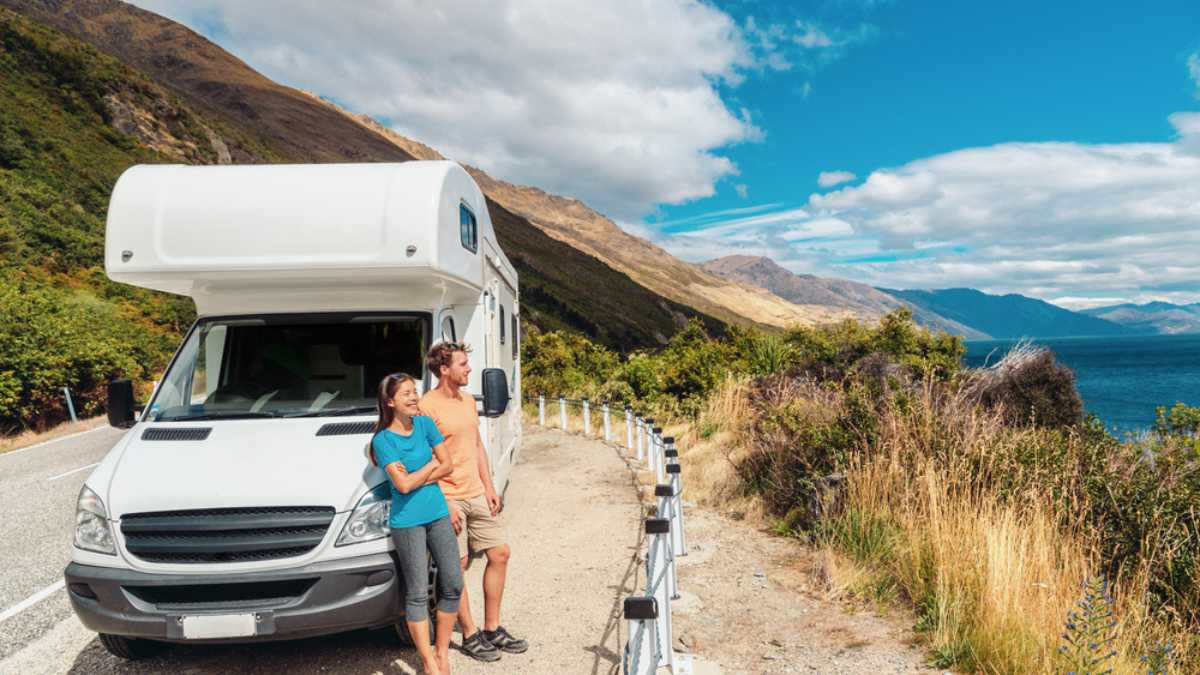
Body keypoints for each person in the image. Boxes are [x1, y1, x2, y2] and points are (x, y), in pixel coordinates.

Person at [419, 342, 528, 661]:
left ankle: (493, 628)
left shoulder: (466, 400)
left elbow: (477, 445)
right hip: (449, 497)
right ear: (444, 370)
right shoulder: (427, 407)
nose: (469, 369)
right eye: (463, 364)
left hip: (476, 493)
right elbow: (424, 458)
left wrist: (489, 485)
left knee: (500, 553)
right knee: (459, 566)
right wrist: (444, 501)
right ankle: (469, 634)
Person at [372, 372, 463, 675]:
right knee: (416, 593)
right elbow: (403, 487)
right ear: (390, 402)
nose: (413, 398)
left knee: (452, 582)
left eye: (415, 391)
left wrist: (416, 475)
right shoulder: (383, 440)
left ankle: (442, 651)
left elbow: (447, 464)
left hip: (437, 512)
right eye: (406, 394)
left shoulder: (425, 424)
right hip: (407, 521)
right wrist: (429, 468)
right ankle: (428, 661)